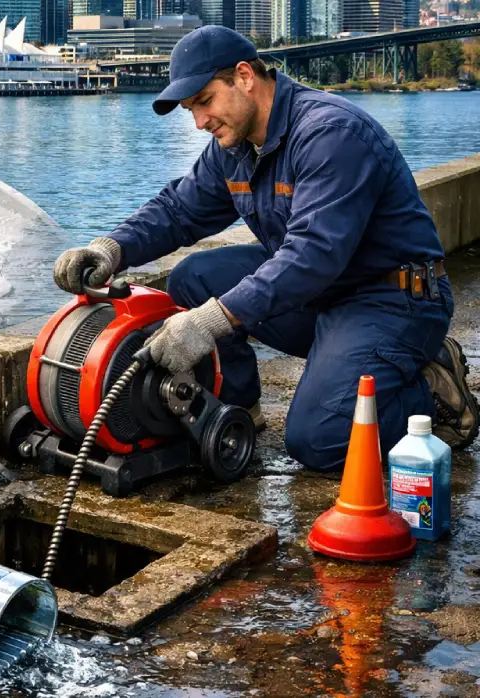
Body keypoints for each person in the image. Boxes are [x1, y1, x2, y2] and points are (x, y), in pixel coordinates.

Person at [52, 25, 479, 472]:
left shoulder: (331, 133)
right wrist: (111, 249)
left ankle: (431, 388)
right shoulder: (235, 145)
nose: (199, 122)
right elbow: (180, 209)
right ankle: (236, 411)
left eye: (203, 101)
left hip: (393, 300)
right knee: (192, 279)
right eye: (190, 110)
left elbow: (312, 256)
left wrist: (209, 323)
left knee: (321, 438)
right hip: (322, 294)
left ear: (244, 76)